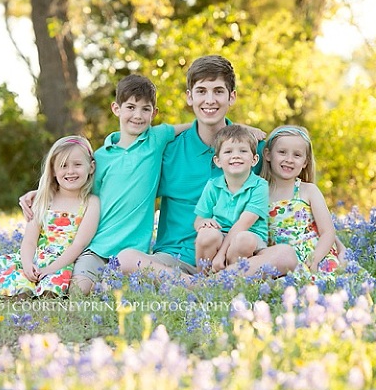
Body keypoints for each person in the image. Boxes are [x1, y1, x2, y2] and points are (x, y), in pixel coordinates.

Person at [118, 55, 298, 280]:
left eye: (218, 91)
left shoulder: (255, 149)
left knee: (287, 256)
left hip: (237, 259)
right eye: (201, 91)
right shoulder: (168, 150)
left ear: (231, 97)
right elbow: (124, 167)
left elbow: (295, 195)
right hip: (175, 260)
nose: (210, 100)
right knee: (125, 259)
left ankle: (208, 284)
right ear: (189, 97)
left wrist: (332, 239)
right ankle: (209, 287)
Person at [20, 74, 191, 294]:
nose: (137, 115)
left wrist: (233, 128)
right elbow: (76, 185)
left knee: (117, 291)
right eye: (130, 107)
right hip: (96, 247)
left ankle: (111, 286)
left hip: (132, 252)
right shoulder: (100, 158)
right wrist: (42, 191)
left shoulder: (156, 139)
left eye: (145, 109)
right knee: (78, 291)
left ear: (154, 113)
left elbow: (196, 127)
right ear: (116, 108)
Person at [0, 135, 100, 297]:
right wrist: (27, 264)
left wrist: (50, 269)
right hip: (37, 259)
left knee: (51, 288)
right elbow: (29, 240)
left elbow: (79, 245)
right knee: (12, 276)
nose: (70, 171)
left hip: (64, 262)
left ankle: (36, 296)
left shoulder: (91, 202)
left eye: (77, 164)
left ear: (91, 168)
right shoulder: (44, 199)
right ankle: (17, 295)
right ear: (53, 170)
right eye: (63, 165)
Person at [260, 125, 346, 280]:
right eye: (282, 152)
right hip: (281, 262)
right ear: (268, 154)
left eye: (297, 155)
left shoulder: (308, 191)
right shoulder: (259, 194)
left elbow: (328, 232)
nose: (289, 159)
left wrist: (314, 259)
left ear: (305, 162)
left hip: (315, 257)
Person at [193, 125, 269, 273]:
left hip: (250, 240)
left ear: (254, 160)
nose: (236, 156)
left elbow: (243, 225)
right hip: (221, 236)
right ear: (218, 161)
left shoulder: (260, 186)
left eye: (243, 151)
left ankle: (232, 280)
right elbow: (198, 221)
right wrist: (203, 223)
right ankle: (204, 280)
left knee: (243, 239)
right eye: (228, 151)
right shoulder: (213, 186)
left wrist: (221, 255)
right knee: (206, 234)